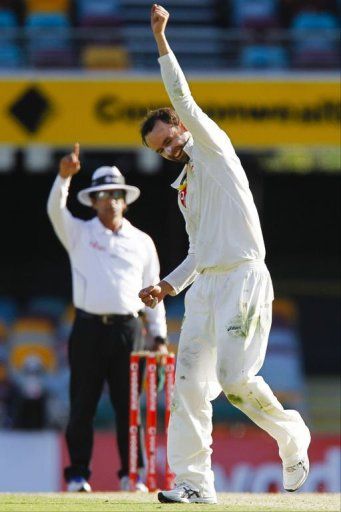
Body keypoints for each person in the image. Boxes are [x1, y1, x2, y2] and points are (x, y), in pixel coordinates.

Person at [139, 4, 311, 504]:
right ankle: (194, 484)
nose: (169, 149)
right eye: (160, 148)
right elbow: (198, 251)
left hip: (243, 278)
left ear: (182, 128)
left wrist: (160, 40)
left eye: (170, 138)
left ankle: (291, 436)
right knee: (188, 384)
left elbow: (183, 97)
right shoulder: (185, 187)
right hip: (206, 289)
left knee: (236, 381)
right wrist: (168, 285)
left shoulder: (214, 147)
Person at [47, 143, 168, 492]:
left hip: (129, 331)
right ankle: (78, 475)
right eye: (103, 194)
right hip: (88, 328)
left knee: (129, 407)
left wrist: (158, 336)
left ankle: (132, 475)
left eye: (116, 194)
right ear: (93, 199)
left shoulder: (141, 241)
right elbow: (56, 210)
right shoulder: (80, 233)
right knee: (82, 404)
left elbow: (153, 292)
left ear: (125, 200)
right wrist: (63, 178)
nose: (110, 200)